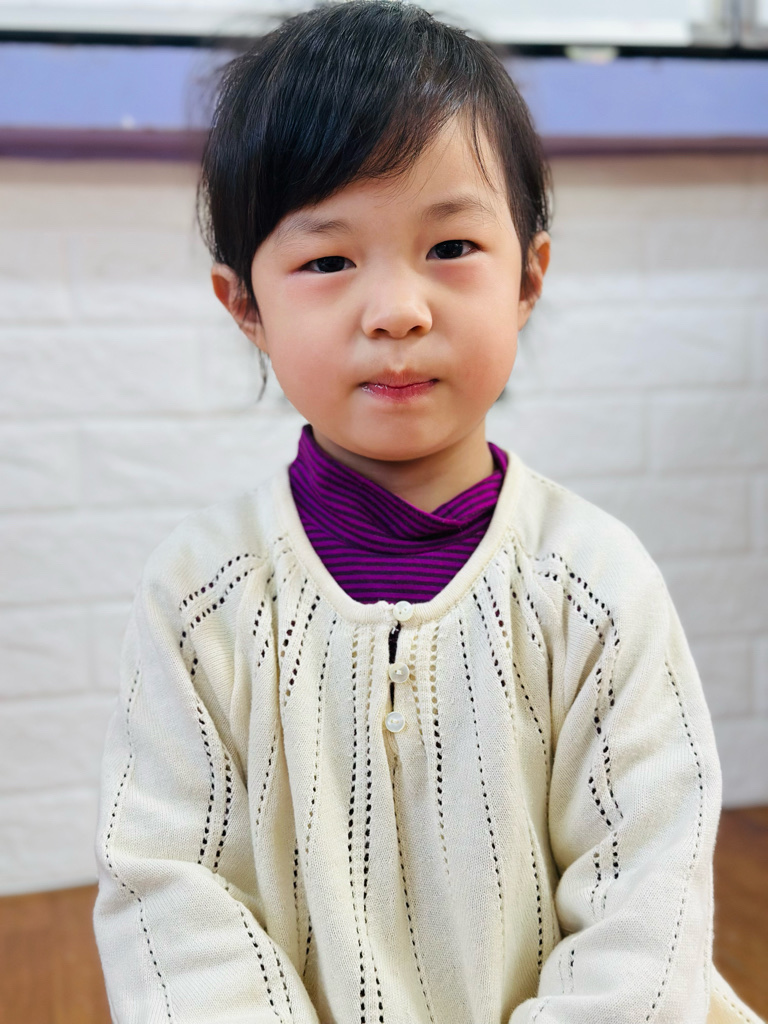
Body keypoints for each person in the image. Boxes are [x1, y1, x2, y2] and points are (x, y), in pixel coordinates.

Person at [92, 3, 763, 1022]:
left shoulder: (595, 586)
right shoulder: (200, 598)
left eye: (450, 245)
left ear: (529, 276)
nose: (398, 310)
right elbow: (169, 894)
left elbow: (646, 904)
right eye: (328, 262)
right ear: (246, 307)